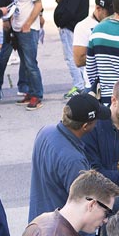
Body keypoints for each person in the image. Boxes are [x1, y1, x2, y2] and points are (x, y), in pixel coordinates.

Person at [28, 93, 101, 221]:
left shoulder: (45, 131)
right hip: (60, 229)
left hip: (38, 222)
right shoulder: (74, 161)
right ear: (85, 126)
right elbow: (83, 207)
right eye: (95, 122)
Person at [0, 0, 45, 110]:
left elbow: (38, 4)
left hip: (29, 30)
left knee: (31, 64)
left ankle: (37, 95)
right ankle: (30, 92)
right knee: (25, 63)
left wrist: (28, 24)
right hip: (17, 29)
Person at [53, 0, 90, 95]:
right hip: (76, 27)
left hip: (70, 28)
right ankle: (83, 84)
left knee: (71, 58)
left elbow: (71, 10)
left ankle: (79, 85)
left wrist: (61, 21)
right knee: (78, 57)